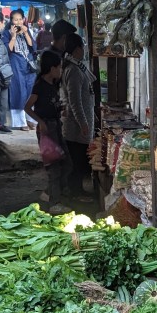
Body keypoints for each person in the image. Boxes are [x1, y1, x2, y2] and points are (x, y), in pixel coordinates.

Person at [24, 51, 72, 215]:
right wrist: (41, 122)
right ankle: (54, 203)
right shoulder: (40, 86)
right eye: (59, 67)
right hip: (47, 129)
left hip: (56, 125)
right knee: (54, 167)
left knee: (67, 163)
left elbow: (53, 104)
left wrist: (61, 109)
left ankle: (49, 193)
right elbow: (27, 107)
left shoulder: (53, 84)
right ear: (52, 68)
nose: (61, 71)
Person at [61, 33, 95, 200]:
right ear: (76, 50)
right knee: (77, 161)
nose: (84, 52)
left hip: (80, 121)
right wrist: (83, 123)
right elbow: (75, 100)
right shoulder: (73, 70)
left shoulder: (76, 67)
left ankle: (77, 191)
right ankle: (75, 193)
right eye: (82, 48)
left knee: (79, 159)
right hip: (75, 125)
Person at [3, 10, 37, 131]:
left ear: (23, 19)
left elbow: (33, 47)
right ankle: (20, 122)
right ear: (11, 21)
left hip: (28, 65)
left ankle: (30, 119)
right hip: (16, 65)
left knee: (30, 92)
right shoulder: (6, 33)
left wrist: (26, 33)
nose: (18, 22)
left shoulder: (28, 30)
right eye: (15, 19)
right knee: (19, 92)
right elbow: (7, 50)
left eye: (20, 19)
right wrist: (13, 36)